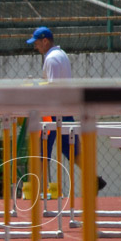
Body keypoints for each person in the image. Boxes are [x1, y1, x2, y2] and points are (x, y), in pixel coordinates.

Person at [26, 26, 106, 191]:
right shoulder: (60, 55)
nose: (35, 46)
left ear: (45, 41)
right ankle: (93, 177)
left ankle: (36, 187)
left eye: (37, 43)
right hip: (64, 110)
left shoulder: (52, 59)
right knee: (72, 150)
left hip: (53, 111)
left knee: (41, 151)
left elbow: (55, 89)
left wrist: (37, 89)